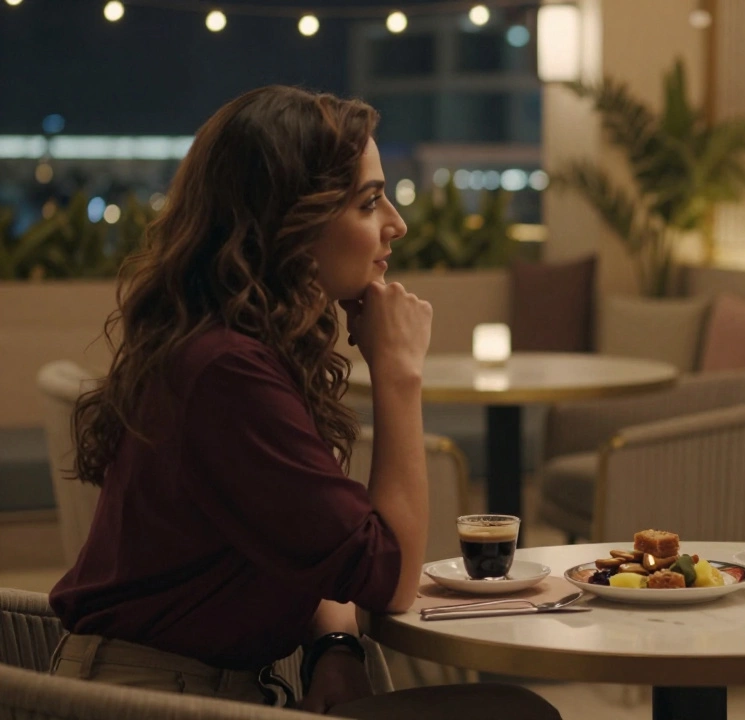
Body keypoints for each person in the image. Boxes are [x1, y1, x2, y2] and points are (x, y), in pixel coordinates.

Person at [47, 85, 561, 719]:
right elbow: (391, 576)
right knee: (513, 715)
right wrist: (400, 375)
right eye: (370, 202)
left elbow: (325, 551)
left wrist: (337, 646)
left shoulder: (232, 351)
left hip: (191, 688)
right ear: (290, 219)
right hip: (147, 702)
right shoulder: (226, 374)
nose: (396, 225)